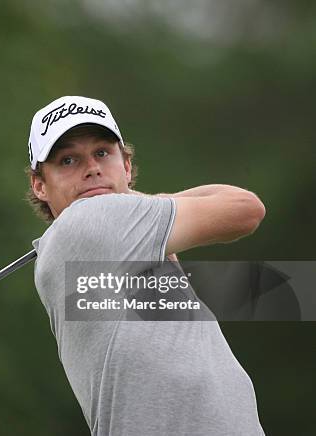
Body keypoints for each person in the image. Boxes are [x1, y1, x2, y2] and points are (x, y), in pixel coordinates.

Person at [25, 96, 267, 435]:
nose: (91, 168)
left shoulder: (126, 236)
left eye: (102, 153)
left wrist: (137, 202)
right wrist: (132, 197)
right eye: (68, 160)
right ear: (40, 186)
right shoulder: (88, 223)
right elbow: (245, 208)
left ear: (125, 165)